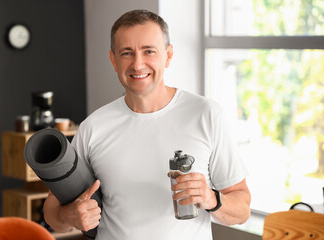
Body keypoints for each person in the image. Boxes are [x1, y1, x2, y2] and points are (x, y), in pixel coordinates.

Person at [43, 9, 251, 240]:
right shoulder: (93, 127)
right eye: (127, 53)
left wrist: (213, 200)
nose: (138, 64)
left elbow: (242, 210)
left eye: (149, 51)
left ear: (168, 55)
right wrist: (68, 216)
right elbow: (52, 211)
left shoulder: (206, 115)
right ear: (113, 60)